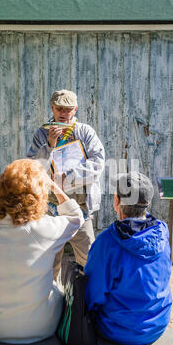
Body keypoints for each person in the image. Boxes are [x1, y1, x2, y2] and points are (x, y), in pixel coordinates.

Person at [0, 158, 84, 344]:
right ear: (39, 196)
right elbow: (76, 217)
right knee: (58, 289)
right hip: (40, 327)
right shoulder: (46, 230)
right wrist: (55, 188)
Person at [84, 171, 172, 345]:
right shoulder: (162, 230)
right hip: (158, 324)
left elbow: (92, 295)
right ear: (148, 203)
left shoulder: (107, 242)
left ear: (117, 201)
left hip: (119, 330)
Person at [27, 89, 105, 280]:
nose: (63, 113)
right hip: (50, 207)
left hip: (80, 207)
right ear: (52, 108)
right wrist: (50, 145)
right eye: (59, 108)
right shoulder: (42, 133)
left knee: (89, 258)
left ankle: (89, 303)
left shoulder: (85, 132)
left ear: (75, 109)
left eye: (68, 109)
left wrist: (68, 178)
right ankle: (50, 303)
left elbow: (98, 163)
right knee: (49, 259)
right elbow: (32, 165)